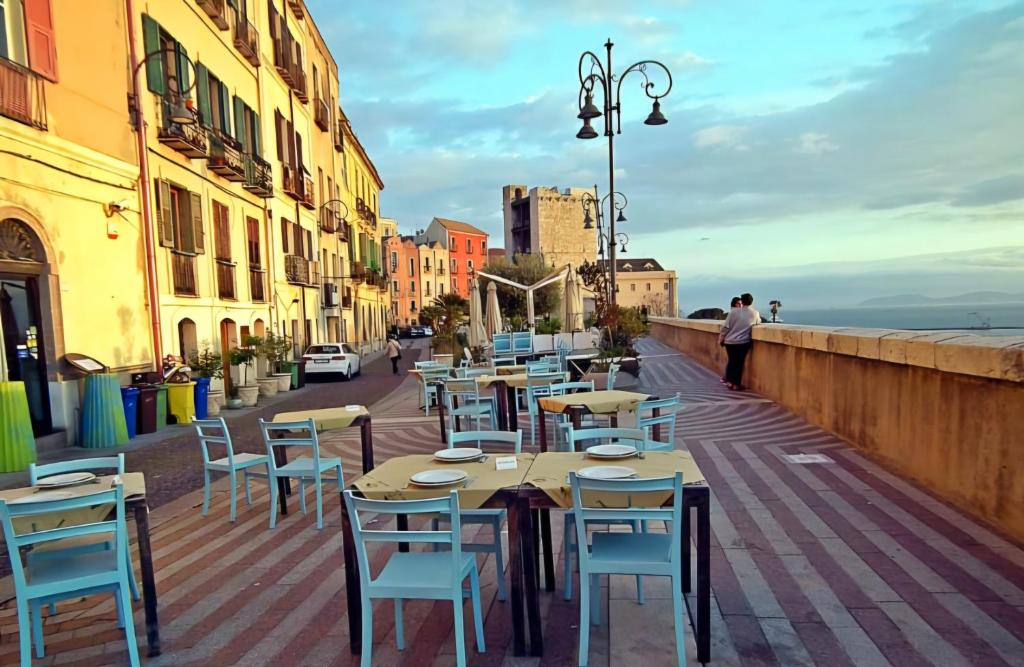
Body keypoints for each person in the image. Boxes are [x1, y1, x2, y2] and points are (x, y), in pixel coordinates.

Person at [718, 293, 760, 391]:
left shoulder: (733, 312)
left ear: (743, 301)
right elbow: (758, 322)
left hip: (730, 342)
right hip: (743, 342)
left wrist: (721, 339)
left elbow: (725, 327)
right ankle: (736, 384)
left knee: (732, 361)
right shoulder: (755, 313)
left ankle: (730, 382)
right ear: (751, 302)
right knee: (739, 363)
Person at [721, 297, 742, 382]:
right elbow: (725, 327)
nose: (740, 305)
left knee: (732, 361)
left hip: (731, 341)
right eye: (738, 303)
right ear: (734, 304)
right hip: (731, 341)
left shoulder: (736, 313)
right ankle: (728, 379)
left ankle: (727, 378)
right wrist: (721, 339)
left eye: (741, 304)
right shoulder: (733, 313)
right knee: (734, 361)